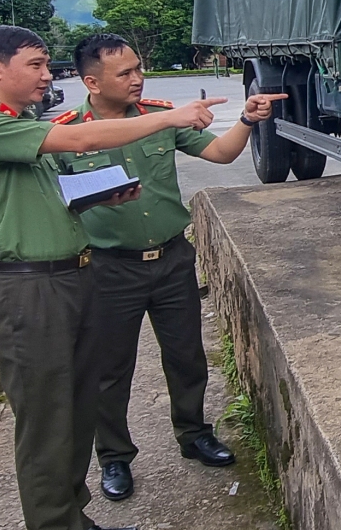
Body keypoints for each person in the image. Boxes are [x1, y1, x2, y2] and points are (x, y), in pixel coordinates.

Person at [0, 25, 226, 530]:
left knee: (74, 417)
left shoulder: (25, 126)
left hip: (75, 278)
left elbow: (49, 198)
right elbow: (81, 143)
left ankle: (76, 525)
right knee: (47, 433)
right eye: (36, 64)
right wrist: (170, 117)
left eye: (48, 64)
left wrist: (99, 196)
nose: (48, 75)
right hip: (30, 293)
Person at [53, 33, 286, 503]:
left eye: (139, 69)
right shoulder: (66, 133)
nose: (138, 79)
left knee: (185, 355)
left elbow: (221, 154)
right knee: (109, 369)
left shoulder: (160, 120)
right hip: (108, 268)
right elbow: (54, 202)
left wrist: (246, 119)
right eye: (125, 73)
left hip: (171, 258)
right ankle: (115, 457)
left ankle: (194, 433)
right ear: (91, 82)